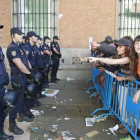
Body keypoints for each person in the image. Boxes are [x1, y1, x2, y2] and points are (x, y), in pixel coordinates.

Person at [7, 27, 33, 135]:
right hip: (18, 77)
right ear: (13, 36)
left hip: (23, 76)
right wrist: (30, 74)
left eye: (21, 34)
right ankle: (12, 124)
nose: (21, 36)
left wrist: (30, 70)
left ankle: (22, 115)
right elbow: (20, 65)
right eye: (18, 34)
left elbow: (25, 61)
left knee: (23, 97)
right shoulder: (12, 48)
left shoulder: (20, 46)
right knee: (16, 101)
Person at [0, 25, 14, 140]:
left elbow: (3, 63)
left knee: (3, 111)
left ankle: (1, 133)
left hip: (1, 85)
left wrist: (5, 79)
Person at [23, 31, 41, 107]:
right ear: (31, 37)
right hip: (29, 71)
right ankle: (30, 103)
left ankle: (34, 101)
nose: (36, 38)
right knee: (30, 88)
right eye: (35, 36)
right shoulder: (27, 47)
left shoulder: (33, 47)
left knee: (35, 87)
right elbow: (26, 59)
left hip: (34, 69)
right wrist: (30, 71)